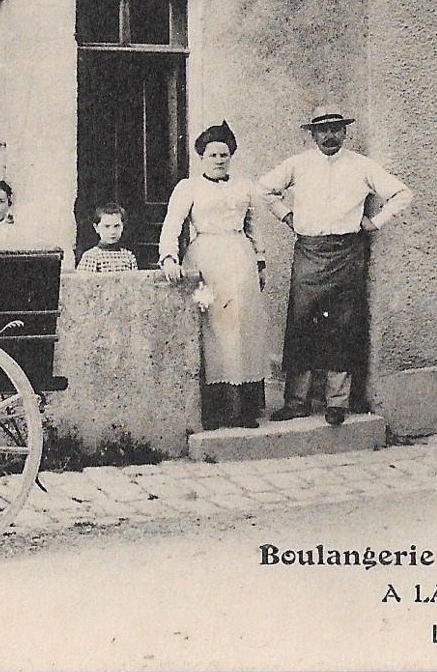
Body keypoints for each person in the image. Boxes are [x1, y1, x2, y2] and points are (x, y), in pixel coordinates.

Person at [260, 105, 413, 426]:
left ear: (345, 132)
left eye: (336, 128)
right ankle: (297, 401)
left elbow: (402, 193)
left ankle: (337, 403)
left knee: (341, 325)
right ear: (313, 134)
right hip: (309, 251)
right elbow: (264, 190)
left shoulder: (361, 165)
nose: (329, 136)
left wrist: (376, 221)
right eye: (323, 130)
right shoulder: (298, 164)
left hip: (347, 252)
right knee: (302, 322)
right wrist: (287, 216)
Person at [160, 122, 273, 430]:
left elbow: (254, 227)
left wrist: (260, 261)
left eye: (224, 154)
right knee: (212, 327)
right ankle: (215, 409)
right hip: (205, 260)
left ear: (231, 156)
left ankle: (244, 408)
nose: (219, 159)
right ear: (201, 157)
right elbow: (172, 224)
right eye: (213, 154)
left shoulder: (245, 186)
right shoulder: (189, 187)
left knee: (243, 327)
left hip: (240, 258)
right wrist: (169, 257)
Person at [76, 204, 139, 272]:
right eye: (107, 226)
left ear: (123, 227)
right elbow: (83, 281)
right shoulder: (91, 256)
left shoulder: (128, 257)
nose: (112, 232)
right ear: (96, 228)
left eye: (116, 226)